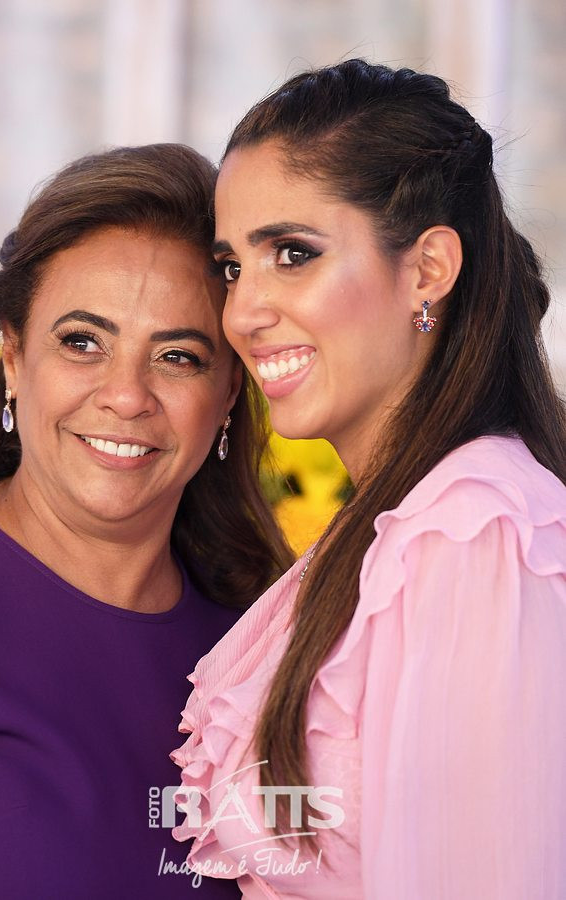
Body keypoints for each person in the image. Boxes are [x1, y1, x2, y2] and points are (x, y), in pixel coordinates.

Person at [171, 60, 566, 898]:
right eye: (233, 266)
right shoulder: (397, 529)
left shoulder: (472, 533)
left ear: (427, 270)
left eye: (292, 253)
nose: (242, 312)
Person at [0, 143, 293, 899]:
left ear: (228, 394)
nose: (126, 395)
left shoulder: (264, 636)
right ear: (13, 360)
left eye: (178, 356)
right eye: (83, 342)